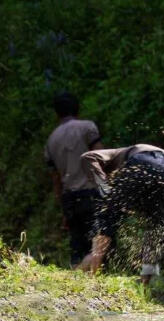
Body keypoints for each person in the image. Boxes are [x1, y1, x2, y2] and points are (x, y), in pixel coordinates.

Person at [77, 144, 164, 305]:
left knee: (105, 227)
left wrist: (104, 187)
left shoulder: (116, 155)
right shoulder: (148, 198)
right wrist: (143, 283)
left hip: (141, 161)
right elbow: (152, 241)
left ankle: (90, 289)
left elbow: (88, 156)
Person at [45, 92, 104, 268]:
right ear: (77, 109)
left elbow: (55, 178)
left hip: (69, 198)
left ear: (57, 113)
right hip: (91, 193)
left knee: (78, 246)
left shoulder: (51, 140)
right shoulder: (87, 127)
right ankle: (82, 277)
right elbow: (101, 158)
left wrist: (63, 207)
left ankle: (77, 282)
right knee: (101, 244)